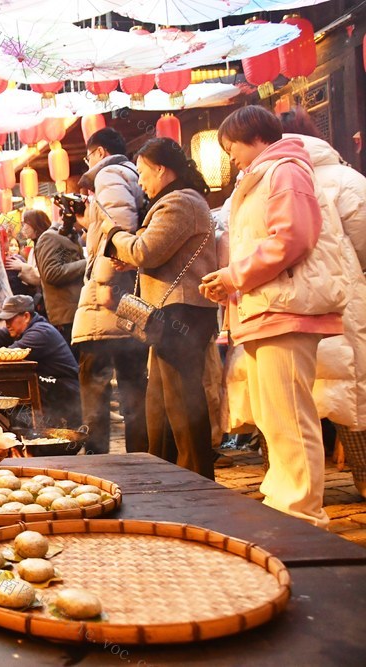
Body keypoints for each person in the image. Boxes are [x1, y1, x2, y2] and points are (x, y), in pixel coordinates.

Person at [200, 105, 348, 526]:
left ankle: (301, 510)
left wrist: (234, 275)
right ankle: (283, 500)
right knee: (273, 414)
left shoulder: (284, 170)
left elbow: (292, 238)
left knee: (290, 413)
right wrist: (230, 279)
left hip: (286, 305)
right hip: (267, 305)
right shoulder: (265, 175)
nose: (232, 159)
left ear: (253, 138)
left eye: (232, 148)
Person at [100, 137, 219, 478]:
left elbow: (147, 251)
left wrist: (113, 235)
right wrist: (131, 252)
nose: (140, 181)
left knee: (182, 403)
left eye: (142, 172)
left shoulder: (180, 202)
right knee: (162, 405)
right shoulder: (179, 201)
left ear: (161, 169)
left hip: (181, 313)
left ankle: (195, 479)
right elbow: (152, 252)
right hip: (173, 312)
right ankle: (171, 475)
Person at [278, 109, 366, 498]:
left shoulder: (264, 179)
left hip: (280, 301)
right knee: (352, 389)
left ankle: (289, 484)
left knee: (285, 398)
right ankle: (363, 480)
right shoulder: (347, 180)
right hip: (344, 298)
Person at [71, 127, 149, 455]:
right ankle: (143, 458)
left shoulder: (109, 174)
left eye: (89, 157)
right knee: (133, 388)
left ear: (99, 153)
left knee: (95, 384)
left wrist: (103, 284)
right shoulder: (133, 176)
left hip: (107, 302)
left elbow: (118, 230)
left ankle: (98, 460)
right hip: (129, 299)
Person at [0, 295, 82, 427]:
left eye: (10, 320)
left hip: (64, 392)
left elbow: (7, 355)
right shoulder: (23, 328)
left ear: (26, 316)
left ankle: (40, 432)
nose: (7, 324)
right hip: (52, 389)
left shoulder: (40, 332)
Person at [25, 209, 85, 346]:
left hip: (76, 313)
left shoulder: (69, 236)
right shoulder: (50, 237)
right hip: (66, 317)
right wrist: (87, 263)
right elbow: (51, 273)